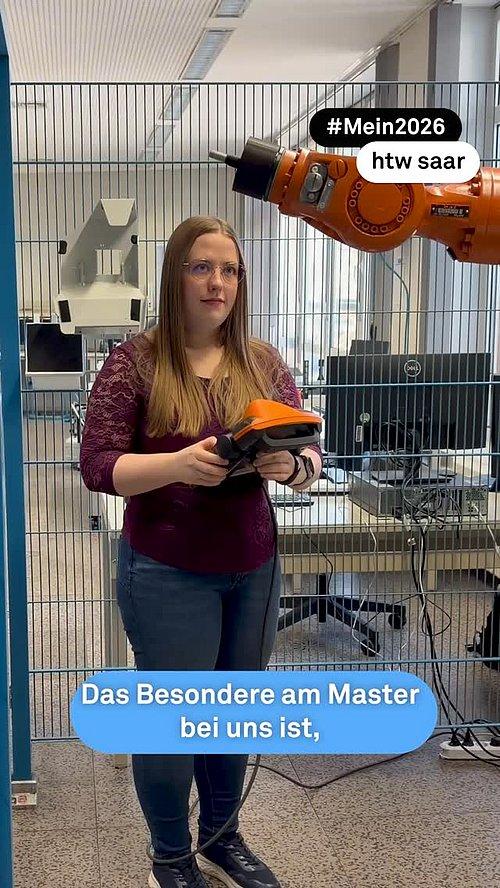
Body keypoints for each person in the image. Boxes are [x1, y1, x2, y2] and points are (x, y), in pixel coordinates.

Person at [80, 215, 323, 888]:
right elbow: (98, 465)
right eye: (201, 267)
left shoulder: (262, 362)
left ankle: (221, 838)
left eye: (230, 270)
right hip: (167, 571)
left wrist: (292, 468)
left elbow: (310, 453)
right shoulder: (135, 362)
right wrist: (178, 465)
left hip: (252, 568)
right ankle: (170, 855)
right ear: (175, 278)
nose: (218, 282)